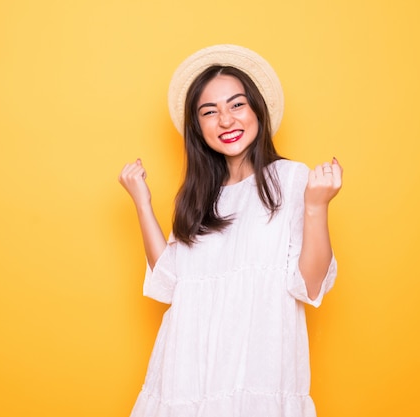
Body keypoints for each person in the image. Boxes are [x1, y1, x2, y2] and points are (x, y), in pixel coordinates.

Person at [118, 44, 343, 417]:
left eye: (236, 105)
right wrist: (142, 202)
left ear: (257, 109)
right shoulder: (197, 197)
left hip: (258, 375)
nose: (225, 120)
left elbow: (310, 284)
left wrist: (317, 205)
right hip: (186, 377)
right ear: (197, 126)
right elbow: (171, 283)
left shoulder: (290, 179)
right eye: (210, 112)